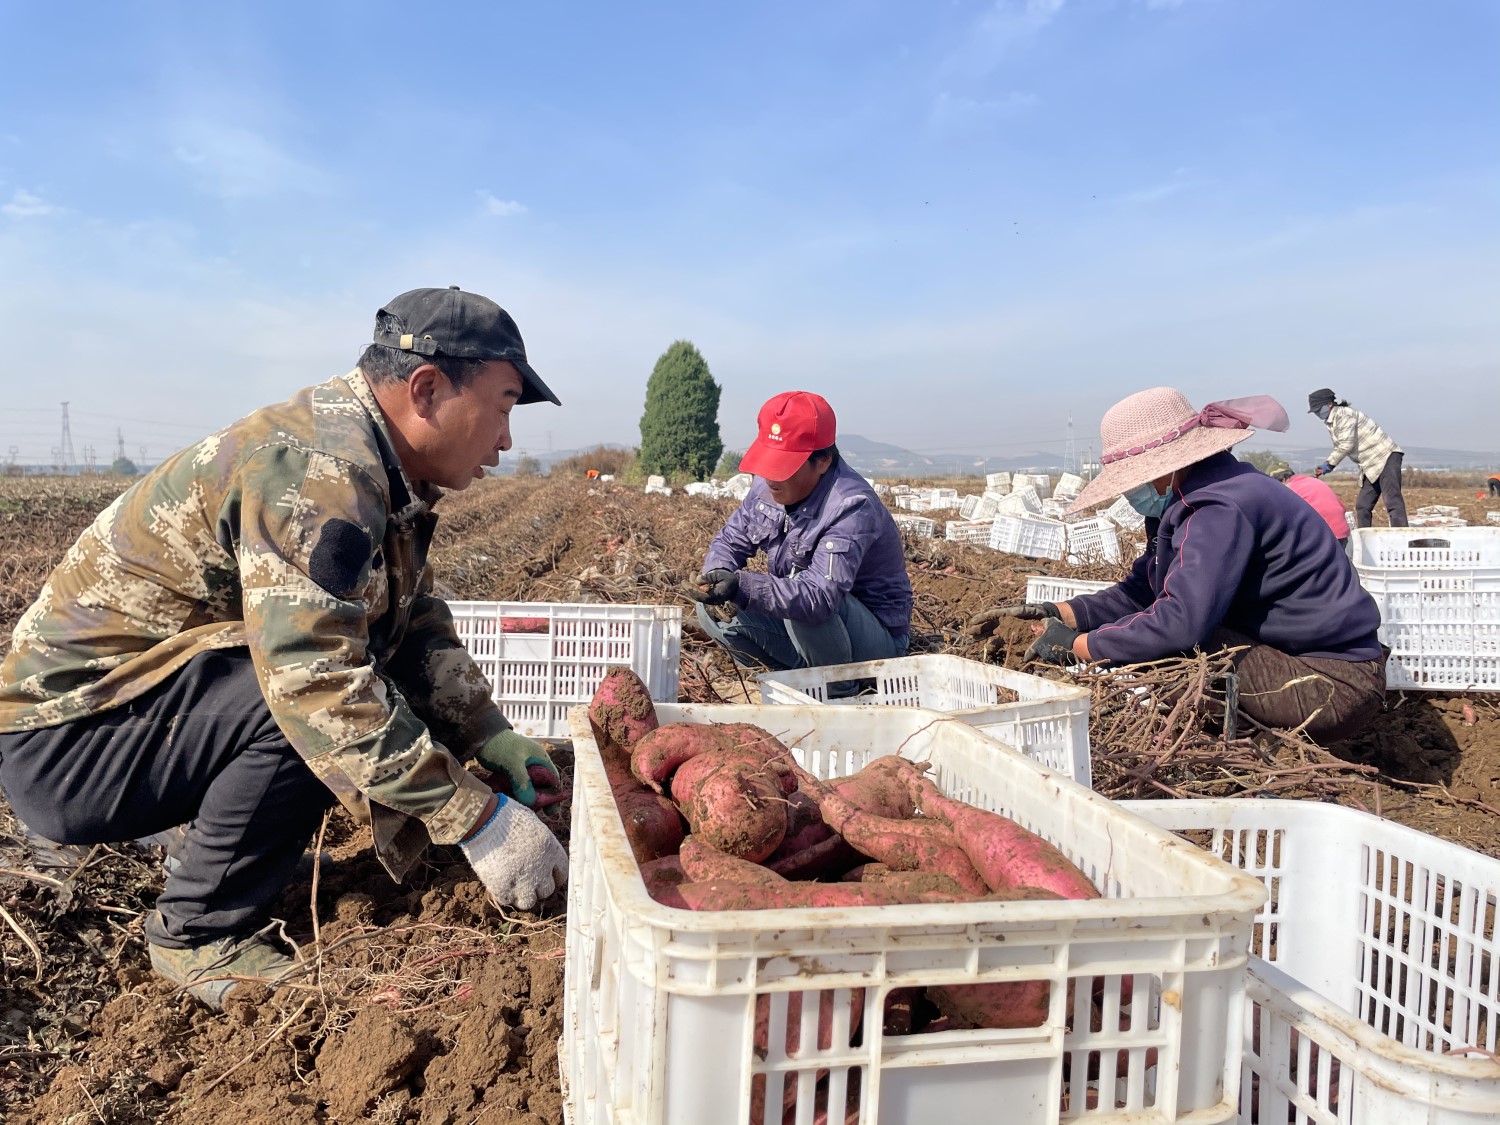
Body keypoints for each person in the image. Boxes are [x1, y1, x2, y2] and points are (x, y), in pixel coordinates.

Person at [0, 287, 570, 1009]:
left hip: (133, 722)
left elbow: (410, 620)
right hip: (69, 745)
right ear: (427, 389)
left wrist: (487, 733)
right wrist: (474, 818)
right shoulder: (318, 470)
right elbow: (315, 682)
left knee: (352, 676)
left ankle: (233, 857)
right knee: (314, 701)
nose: (507, 439)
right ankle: (198, 930)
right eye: (504, 404)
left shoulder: (381, 469)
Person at [971, 387, 1386, 744]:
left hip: (1327, 684)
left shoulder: (1219, 507)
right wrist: (1060, 613)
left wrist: (1079, 647)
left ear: (1166, 467)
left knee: (1169, 648)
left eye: (1132, 479)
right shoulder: (1194, 497)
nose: (1129, 491)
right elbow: (1143, 590)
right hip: (1303, 667)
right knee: (1146, 631)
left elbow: (1181, 622)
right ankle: (1237, 733)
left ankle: (1240, 746)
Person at [687, 390, 911, 675]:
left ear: (823, 461)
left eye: (782, 467)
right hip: (813, 634)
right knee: (711, 609)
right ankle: (791, 681)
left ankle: (838, 692)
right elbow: (730, 540)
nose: (771, 477)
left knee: (802, 605)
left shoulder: (851, 506)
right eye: (768, 463)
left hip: (874, 643)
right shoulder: (767, 487)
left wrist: (744, 587)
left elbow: (819, 597)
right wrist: (717, 576)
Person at [1308, 388, 1407, 528]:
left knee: (1392, 500)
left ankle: (1401, 535)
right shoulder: (1332, 421)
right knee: (1363, 505)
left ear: (1329, 404)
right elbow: (1342, 445)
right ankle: (1364, 537)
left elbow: (1346, 445)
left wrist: (1329, 464)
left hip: (1385, 456)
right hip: (1369, 464)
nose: (1318, 413)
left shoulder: (1344, 415)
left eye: (1318, 409)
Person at [1265, 457, 1352, 556]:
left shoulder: (1289, 490)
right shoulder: (1314, 481)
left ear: (1282, 480)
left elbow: (1282, 520)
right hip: (1341, 533)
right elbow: (1341, 507)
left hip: (1321, 538)